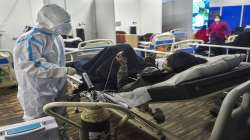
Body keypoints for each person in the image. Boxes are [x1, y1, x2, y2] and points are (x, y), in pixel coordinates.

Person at [13, 4, 76, 121]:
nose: (67, 26)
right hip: (38, 91)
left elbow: (57, 60)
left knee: (61, 118)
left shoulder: (56, 37)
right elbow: (33, 65)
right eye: (63, 23)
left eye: (68, 22)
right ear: (49, 22)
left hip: (58, 86)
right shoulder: (30, 39)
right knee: (42, 122)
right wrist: (63, 70)